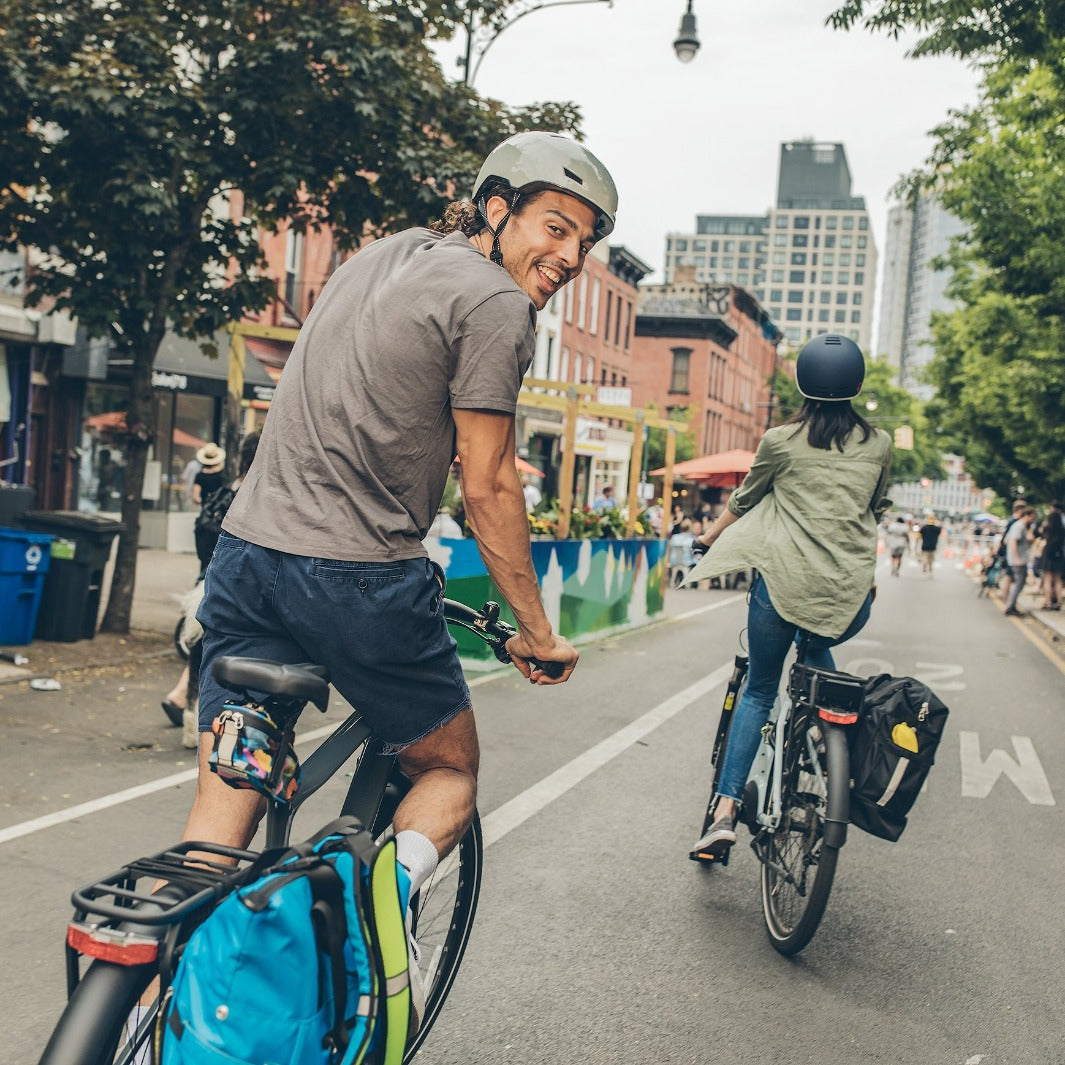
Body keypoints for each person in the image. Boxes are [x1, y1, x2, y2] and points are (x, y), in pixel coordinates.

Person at [184, 131, 615, 1025]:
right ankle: (384, 913)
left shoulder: (378, 255)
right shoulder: (496, 303)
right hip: (358, 579)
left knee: (223, 806)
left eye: (586, 242)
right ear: (496, 210)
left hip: (244, 558)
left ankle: (154, 998)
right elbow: (488, 481)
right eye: (555, 226)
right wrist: (535, 631)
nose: (569, 256)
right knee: (449, 770)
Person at [686, 333, 892, 860]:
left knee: (759, 690)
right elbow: (874, 503)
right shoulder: (879, 444)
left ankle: (725, 811)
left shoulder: (780, 441)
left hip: (780, 590)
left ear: (802, 383)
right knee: (819, 665)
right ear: (856, 385)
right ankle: (830, 757)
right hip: (847, 600)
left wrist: (707, 539)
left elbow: (747, 498)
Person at [162, 432, 261, 729]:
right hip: (237, 583)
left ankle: (184, 702)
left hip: (207, 576)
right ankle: (211, 716)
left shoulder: (227, 490)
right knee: (219, 649)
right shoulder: (258, 495)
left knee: (201, 646)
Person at [1003, 506, 1037, 616]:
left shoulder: (1018, 525)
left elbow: (1007, 540)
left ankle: (1010, 605)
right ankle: (1010, 606)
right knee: (1019, 584)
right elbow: (1012, 541)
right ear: (1028, 515)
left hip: (1014, 559)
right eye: (1033, 517)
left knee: (1017, 583)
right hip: (1018, 560)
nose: (1033, 520)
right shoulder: (1020, 526)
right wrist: (1017, 558)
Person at [1039, 502, 1064, 610]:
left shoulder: (1047, 529)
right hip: (1059, 556)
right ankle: (1059, 602)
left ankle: (1048, 602)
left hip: (1048, 556)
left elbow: (1041, 537)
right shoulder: (1062, 530)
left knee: (1048, 580)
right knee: (1058, 580)